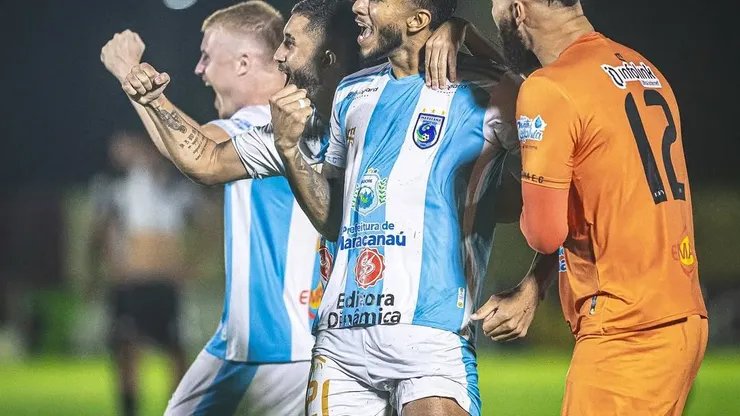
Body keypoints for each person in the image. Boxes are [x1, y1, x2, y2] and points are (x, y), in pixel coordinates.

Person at [268, 0, 559, 414]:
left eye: (376, 0)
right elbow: (333, 221)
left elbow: (570, 185)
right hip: (340, 340)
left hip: (432, 337)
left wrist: (533, 287)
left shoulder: (488, 90)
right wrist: (287, 150)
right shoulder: (351, 92)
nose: (358, 6)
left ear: (418, 20)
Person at [102, 2, 322, 415]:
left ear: (243, 63)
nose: (200, 70)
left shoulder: (266, 122)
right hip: (244, 341)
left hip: (275, 345)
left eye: (207, 57)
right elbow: (185, 149)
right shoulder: (302, 119)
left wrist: (129, 72)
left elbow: (195, 152)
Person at [490, 0, 709, 414]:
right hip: (683, 322)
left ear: (518, 10)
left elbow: (544, 233)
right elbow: (600, 203)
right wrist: (535, 286)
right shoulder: (644, 69)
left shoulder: (548, 87)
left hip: (625, 333)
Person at [87, 130, 198, 416]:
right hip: (131, 283)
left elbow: (206, 222)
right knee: (127, 351)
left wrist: (190, 264)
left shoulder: (175, 185)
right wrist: (103, 269)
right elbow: (99, 232)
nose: (119, 150)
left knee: (176, 351)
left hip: (164, 283)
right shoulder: (112, 186)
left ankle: (179, 410)